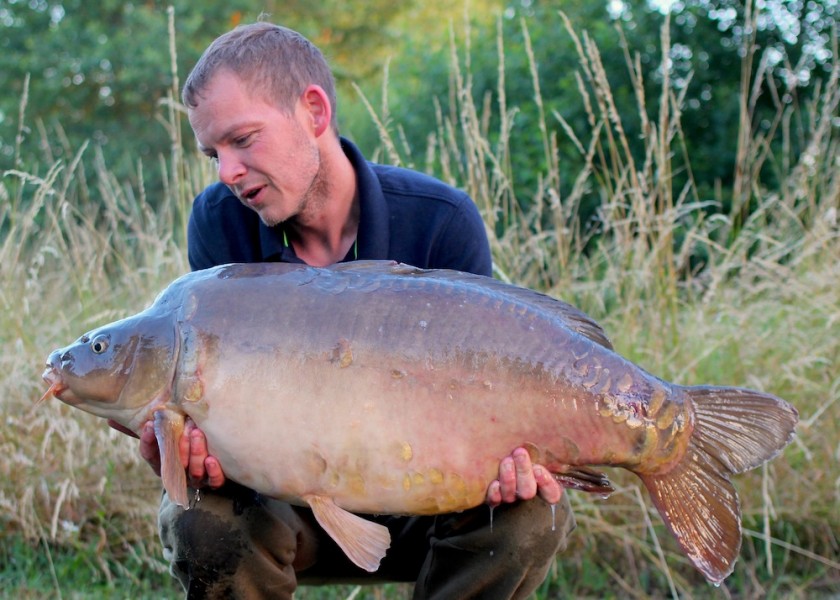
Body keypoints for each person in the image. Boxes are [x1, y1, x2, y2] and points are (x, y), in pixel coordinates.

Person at [114, 22, 575, 599]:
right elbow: (217, 420)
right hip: (290, 509)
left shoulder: (442, 220)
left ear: (313, 111)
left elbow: (487, 388)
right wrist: (186, 447)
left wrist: (518, 460)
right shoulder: (220, 221)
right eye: (213, 153)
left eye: (244, 140)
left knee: (532, 516)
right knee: (200, 516)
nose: (226, 173)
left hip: (428, 504)